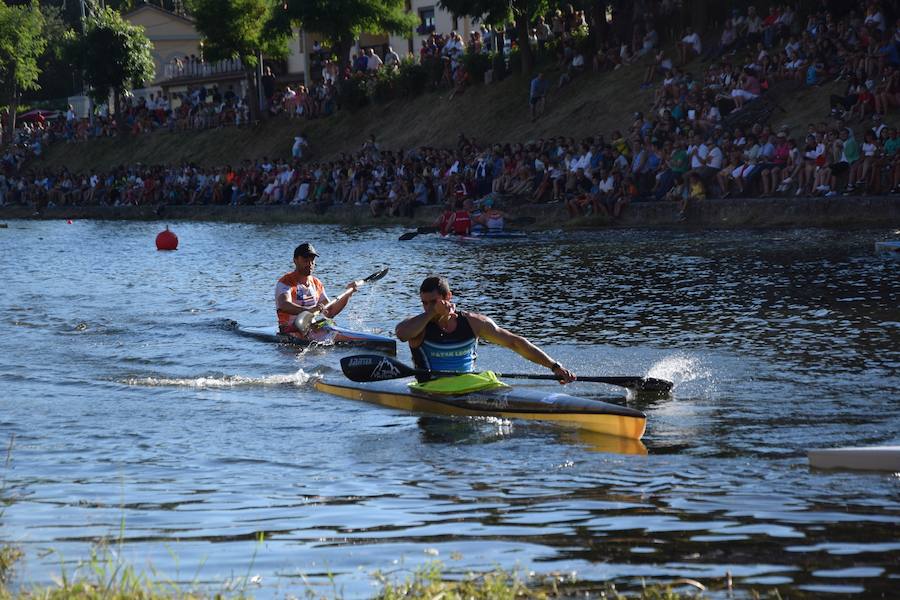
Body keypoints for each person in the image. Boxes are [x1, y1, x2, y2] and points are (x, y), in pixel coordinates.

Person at [395, 276, 576, 383]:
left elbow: (515, 343)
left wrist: (554, 366)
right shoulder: (418, 326)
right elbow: (402, 334)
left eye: (433, 302)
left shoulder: (474, 323)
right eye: (424, 303)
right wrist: (432, 313)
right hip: (430, 391)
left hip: (470, 385)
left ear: (448, 297)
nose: (428, 307)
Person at [275, 243, 358, 334]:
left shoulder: (316, 283)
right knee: (325, 327)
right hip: (289, 328)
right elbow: (284, 305)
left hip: (310, 327)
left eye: (312, 260)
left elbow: (330, 312)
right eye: (305, 260)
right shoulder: (286, 282)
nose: (310, 264)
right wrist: (309, 311)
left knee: (330, 323)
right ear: (295, 260)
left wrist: (347, 295)